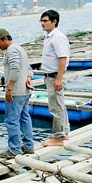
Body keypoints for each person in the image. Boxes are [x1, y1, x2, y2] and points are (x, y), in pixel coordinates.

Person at [0, 28, 35, 159]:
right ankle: (28, 146)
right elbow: (28, 69)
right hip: (24, 91)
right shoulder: (20, 49)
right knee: (24, 117)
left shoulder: (11, 50)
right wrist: (28, 78)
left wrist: (9, 88)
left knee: (11, 120)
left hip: (16, 92)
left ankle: (14, 149)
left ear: (5, 39)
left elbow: (15, 68)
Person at [39, 9, 70, 147]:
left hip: (54, 76)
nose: (42, 23)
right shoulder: (49, 37)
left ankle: (58, 138)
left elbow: (62, 59)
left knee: (56, 107)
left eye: (45, 21)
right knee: (59, 105)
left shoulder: (58, 37)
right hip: (50, 75)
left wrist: (59, 78)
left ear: (54, 21)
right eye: (41, 21)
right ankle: (64, 132)